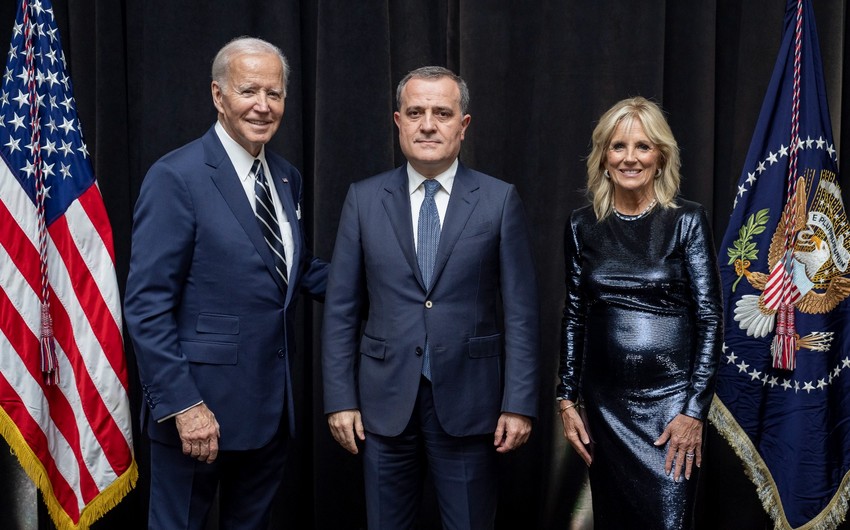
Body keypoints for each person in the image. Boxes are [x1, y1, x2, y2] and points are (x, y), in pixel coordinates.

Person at [321, 66, 541, 529]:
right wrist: (340, 399)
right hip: (382, 404)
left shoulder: (499, 200)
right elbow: (341, 309)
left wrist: (519, 403)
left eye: (442, 113)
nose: (427, 125)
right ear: (398, 121)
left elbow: (522, 313)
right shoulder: (363, 199)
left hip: (471, 402)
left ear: (463, 125)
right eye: (416, 112)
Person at [124, 36, 327, 529]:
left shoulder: (286, 177)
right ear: (218, 95)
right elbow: (146, 305)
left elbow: (291, 268)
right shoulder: (176, 176)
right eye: (248, 91)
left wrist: (383, 279)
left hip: (269, 409)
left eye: (274, 93)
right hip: (197, 412)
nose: (263, 105)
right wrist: (183, 404)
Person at [557, 97, 722, 529]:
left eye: (643, 146)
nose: (630, 158)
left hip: (672, 407)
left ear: (660, 157)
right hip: (605, 408)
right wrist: (566, 399)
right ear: (603, 157)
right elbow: (574, 315)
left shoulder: (687, 220)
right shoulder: (581, 225)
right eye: (618, 146)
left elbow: (709, 318)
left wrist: (694, 411)